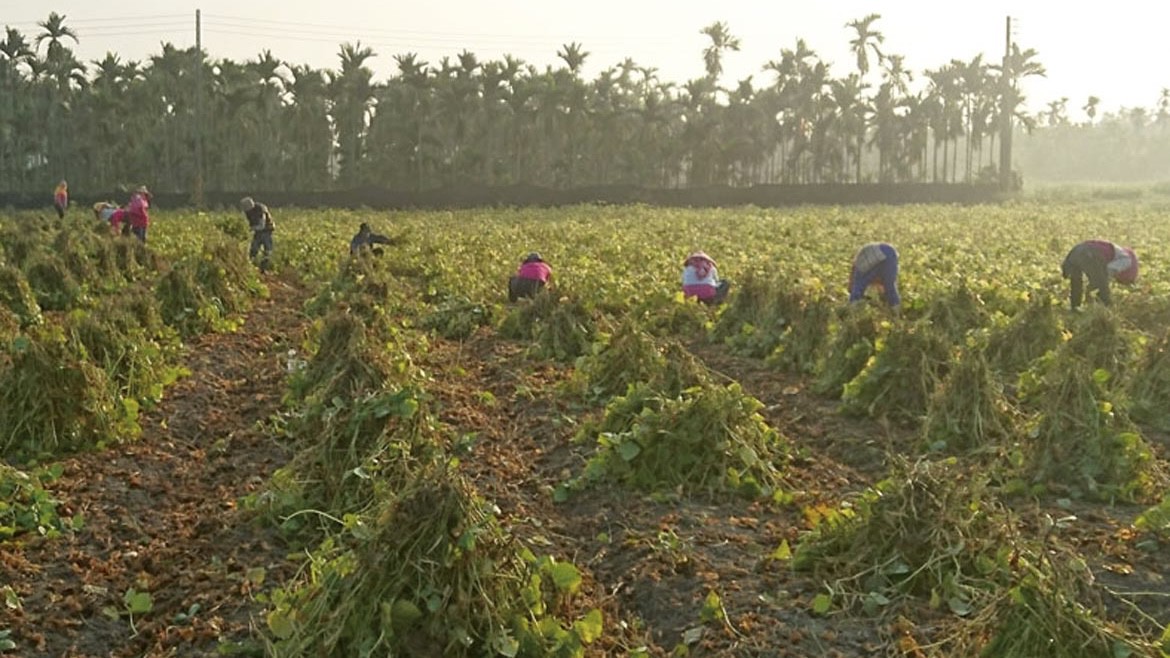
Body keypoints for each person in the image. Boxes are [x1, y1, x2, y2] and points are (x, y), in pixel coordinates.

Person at [1061, 240, 1137, 309]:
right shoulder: (1127, 260)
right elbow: (1106, 271)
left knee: (1076, 284)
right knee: (1102, 288)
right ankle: (1106, 310)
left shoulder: (1115, 251)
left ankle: (1075, 309)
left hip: (1075, 252)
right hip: (1090, 253)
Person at [848, 242, 901, 308]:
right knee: (890, 286)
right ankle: (896, 309)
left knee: (858, 287)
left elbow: (855, 283)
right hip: (890, 252)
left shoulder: (859, 271)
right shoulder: (879, 274)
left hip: (875, 254)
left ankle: (853, 308)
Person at [240, 196, 275, 272]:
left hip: (266, 230)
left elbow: (262, 225)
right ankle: (251, 266)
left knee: (267, 251)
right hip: (258, 232)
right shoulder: (248, 212)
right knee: (253, 249)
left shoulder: (260, 209)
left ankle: (263, 268)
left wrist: (252, 228)